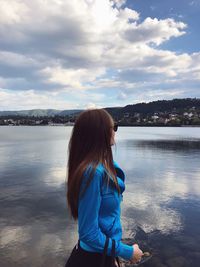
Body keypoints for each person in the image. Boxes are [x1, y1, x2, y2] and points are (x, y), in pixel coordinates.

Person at [66, 109, 143, 267]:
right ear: (100, 132)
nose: (115, 131)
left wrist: (113, 256)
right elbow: (88, 234)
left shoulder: (104, 167)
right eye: (113, 126)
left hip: (104, 254)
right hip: (91, 258)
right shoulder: (93, 172)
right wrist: (128, 252)